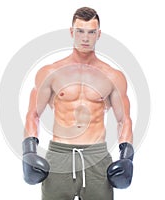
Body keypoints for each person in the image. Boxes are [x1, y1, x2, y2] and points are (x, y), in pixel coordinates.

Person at [22, 7, 134, 200]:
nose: (85, 37)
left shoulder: (113, 76)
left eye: (91, 32)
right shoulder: (51, 72)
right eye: (80, 31)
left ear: (98, 35)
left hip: (96, 157)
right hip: (59, 156)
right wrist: (29, 151)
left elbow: (124, 119)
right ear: (72, 32)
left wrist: (126, 157)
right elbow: (33, 114)